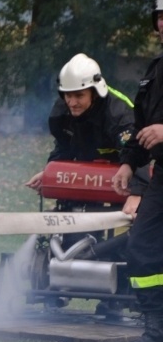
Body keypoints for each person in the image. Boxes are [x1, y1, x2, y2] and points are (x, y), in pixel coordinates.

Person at [25, 53, 142, 226]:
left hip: (127, 169)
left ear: (95, 94)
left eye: (79, 96)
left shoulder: (118, 114)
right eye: (68, 96)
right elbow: (64, 147)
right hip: (89, 173)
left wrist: (137, 193)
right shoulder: (61, 114)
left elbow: (138, 153)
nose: (72, 103)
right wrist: (49, 174)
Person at [111, 0, 163, 342]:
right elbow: (143, 125)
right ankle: (156, 333)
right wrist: (129, 162)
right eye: (159, 17)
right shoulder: (156, 70)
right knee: (142, 246)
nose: (162, 24)